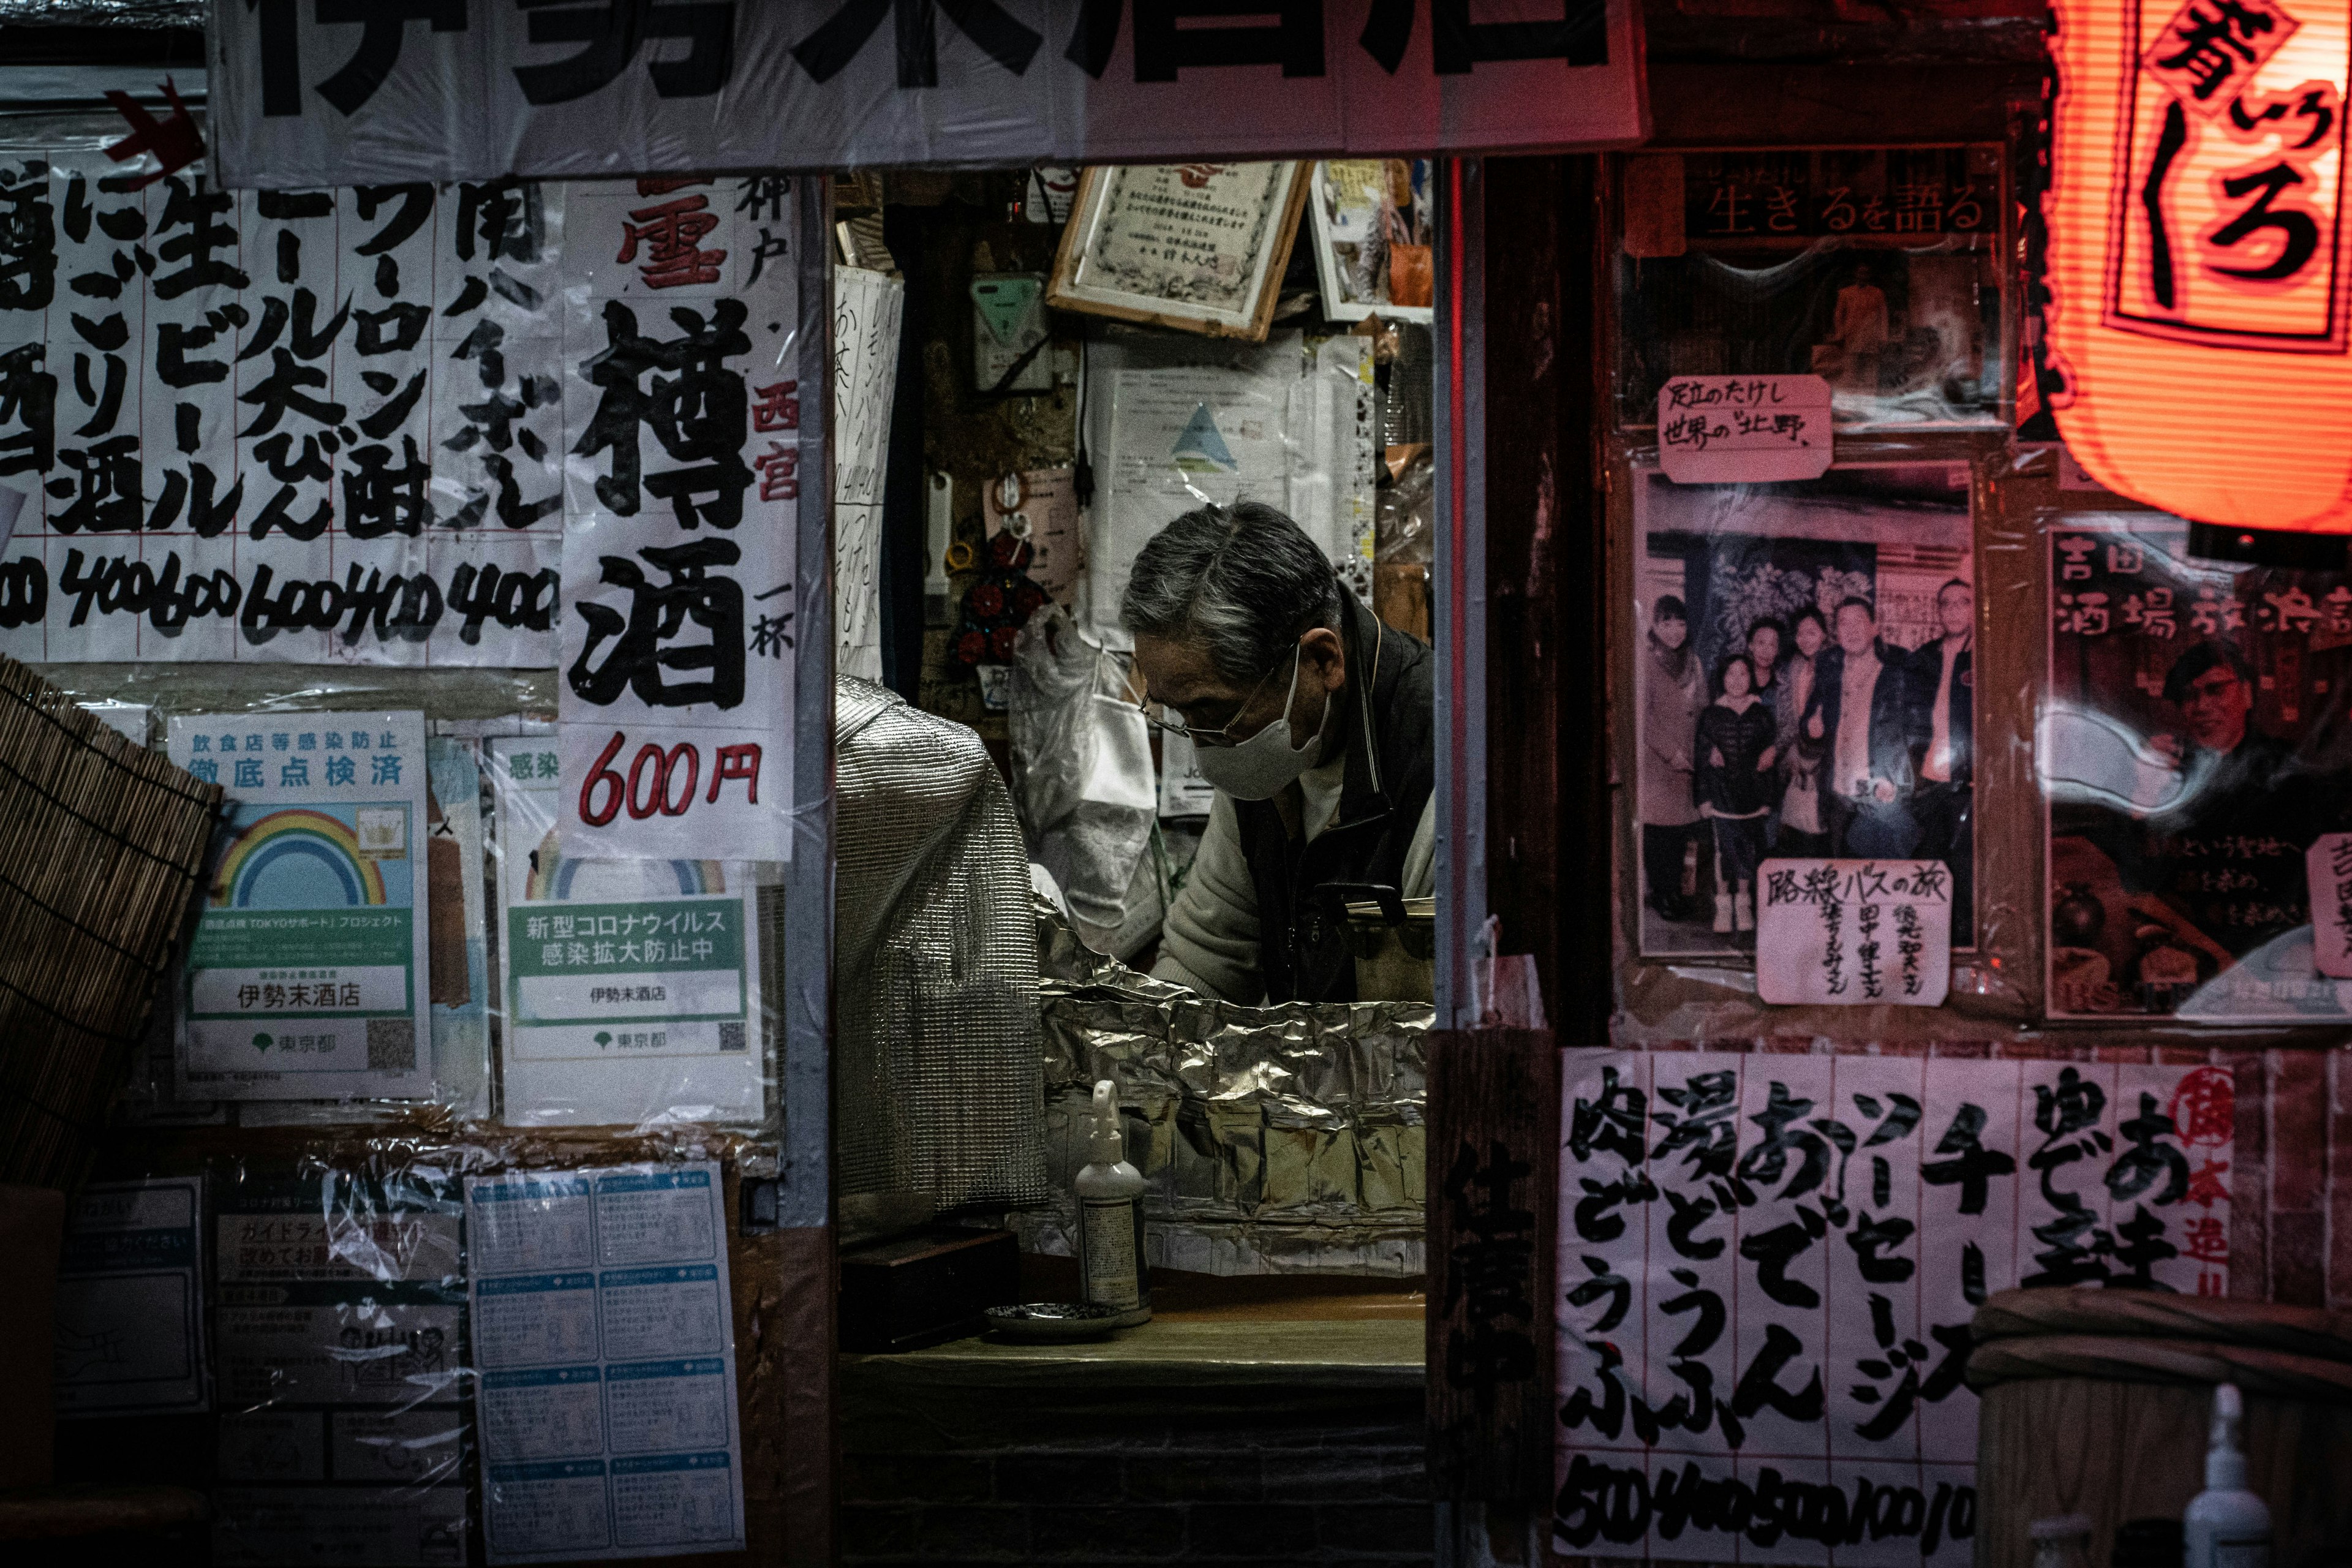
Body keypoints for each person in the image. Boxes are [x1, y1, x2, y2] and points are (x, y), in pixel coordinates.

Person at [1122, 500, 1433, 1004]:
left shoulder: (1441, 770)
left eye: (1213, 713)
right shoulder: (1266, 756)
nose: (1204, 746)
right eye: (1181, 717)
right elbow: (1207, 957)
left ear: (1321, 660)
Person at [2117, 639, 2341, 963]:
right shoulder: (2167, 770)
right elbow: (2133, 879)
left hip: (2277, 950)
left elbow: (2331, 874)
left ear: (2247, 695)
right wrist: (2144, 795)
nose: (2202, 706)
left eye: (2215, 690)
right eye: (2189, 696)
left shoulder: (2292, 771)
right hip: (2185, 948)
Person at [1802, 595, 1924, 858]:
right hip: (1838, 794)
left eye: (1859, 622)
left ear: (1875, 628)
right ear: (1836, 632)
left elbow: (1919, 736)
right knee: (1841, 874)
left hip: (1881, 793)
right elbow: (1809, 722)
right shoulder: (1829, 670)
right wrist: (1812, 730)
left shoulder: (1897, 673)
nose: (1851, 631)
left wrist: (1898, 781)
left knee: (1881, 879)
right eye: (1844, 624)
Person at [1909, 577, 1975, 938]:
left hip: (1967, 778)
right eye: (1946, 604)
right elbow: (1907, 719)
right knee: (1928, 858)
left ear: (1974, 608)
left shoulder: (1986, 655)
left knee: (1964, 864)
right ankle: (1927, 933)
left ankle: (1964, 938)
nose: (1953, 611)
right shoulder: (1924, 658)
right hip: (1928, 776)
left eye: (1962, 603)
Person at [1637, 594, 1707, 925]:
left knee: (1680, 834)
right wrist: (1671, 752)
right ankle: (1661, 894)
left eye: (1680, 624)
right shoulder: (1646, 661)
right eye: (1667, 624)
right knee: (1659, 836)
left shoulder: (1693, 661)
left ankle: (1675, 893)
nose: (1674, 631)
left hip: (1689, 763)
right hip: (1659, 763)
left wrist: (1703, 751)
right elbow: (1643, 717)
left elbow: (1705, 709)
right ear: (1654, 625)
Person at [1695, 654, 1777, 935]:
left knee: (1747, 851)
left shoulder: (1763, 714)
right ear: (1722, 678)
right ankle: (1723, 905)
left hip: (1752, 797)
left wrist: (1768, 800)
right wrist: (1704, 798)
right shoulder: (1711, 715)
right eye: (1731, 674)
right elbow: (1701, 757)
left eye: (1743, 674)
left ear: (1751, 678)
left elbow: (1770, 763)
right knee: (1723, 853)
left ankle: (1743, 903)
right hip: (1721, 797)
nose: (1737, 680)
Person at [1773, 607, 1831, 856]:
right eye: (1799, 634)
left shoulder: (1835, 667)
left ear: (1824, 634)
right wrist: (1789, 754)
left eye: (1812, 632)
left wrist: (1810, 756)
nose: (1805, 639)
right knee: (1795, 836)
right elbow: (1786, 720)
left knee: (1820, 836)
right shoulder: (1791, 669)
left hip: (1823, 761)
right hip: (1793, 758)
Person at [1832, 261, 1891, 395]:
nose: (1863, 275)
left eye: (1866, 273)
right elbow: (1839, 315)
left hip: (1871, 337)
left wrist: (1883, 336)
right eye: (1860, 272)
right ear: (1856, 274)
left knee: (1871, 372)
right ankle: (1849, 401)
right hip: (1852, 336)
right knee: (1850, 371)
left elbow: (1883, 316)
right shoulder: (1845, 293)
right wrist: (1839, 334)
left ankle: (1869, 400)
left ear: (1869, 275)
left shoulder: (1877, 293)